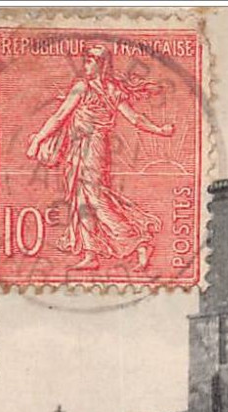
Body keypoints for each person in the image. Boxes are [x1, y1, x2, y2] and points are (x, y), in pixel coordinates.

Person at [25, 44, 175, 272]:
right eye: (86, 60)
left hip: (93, 148)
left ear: (101, 64)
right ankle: (90, 253)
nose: (86, 65)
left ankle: (138, 241)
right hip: (78, 148)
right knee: (80, 198)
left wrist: (159, 130)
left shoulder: (92, 89)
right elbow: (60, 117)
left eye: (91, 60)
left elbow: (134, 118)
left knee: (94, 198)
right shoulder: (90, 87)